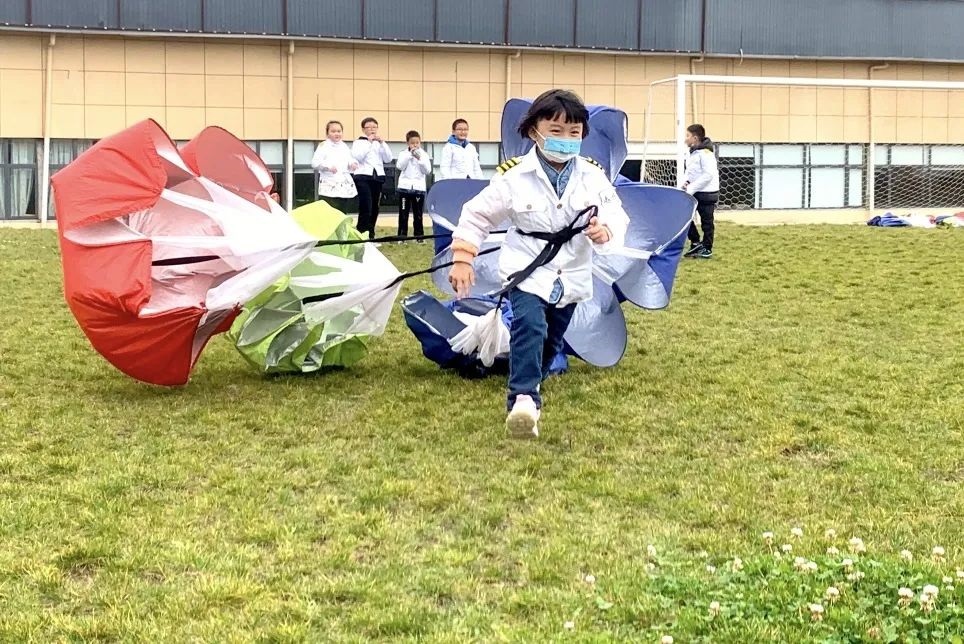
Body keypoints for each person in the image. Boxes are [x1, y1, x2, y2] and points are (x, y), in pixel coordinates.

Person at [447, 89, 629, 439]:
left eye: (574, 132)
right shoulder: (514, 176)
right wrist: (463, 258)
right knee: (530, 326)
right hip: (526, 267)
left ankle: (534, 382)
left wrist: (605, 230)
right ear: (534, 131)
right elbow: (477, 215)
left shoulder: (593, 176)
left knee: (551, 340)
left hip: (571, 271)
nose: (565, 139)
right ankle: (523, 401)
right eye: (556, 131)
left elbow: (616, 214)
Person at [680, 123, 719, 259]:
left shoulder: (706, 154)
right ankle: (695, 242)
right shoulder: (692, 153)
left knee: (707, 222)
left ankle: (707, 248)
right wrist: (686, 182)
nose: (685, 138)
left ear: (695, 138)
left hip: (707, 193)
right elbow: (691, 172)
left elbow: (708, 175)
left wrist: (691, 188)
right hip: (694, 192)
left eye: (687, 136)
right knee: (684, 216)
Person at [351, 117, 393, 239]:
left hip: (377, 177)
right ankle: (362, 233)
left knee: (375, 207)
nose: (372, 130)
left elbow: (388, 158)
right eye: (368, 127)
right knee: (366, 206)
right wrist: (369, 143)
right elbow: (358, 156)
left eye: (374, 127)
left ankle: (371, 234)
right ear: (363, 129)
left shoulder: (379, 143)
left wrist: (383, 143)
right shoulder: (359, 142)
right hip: (363, 177)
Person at [311, 120, 358, 213]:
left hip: (343, 185)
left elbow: (350, 159)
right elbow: (315, 163)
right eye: (333, 131)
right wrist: (328, 167)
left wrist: (352, 164)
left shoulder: (344, 146)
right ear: (327, 133)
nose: (337, 134)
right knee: (329, 212)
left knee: (342, 211)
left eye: (339, 131)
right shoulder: (323, 146)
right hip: (329, 185)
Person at [395, 130, 432, 240]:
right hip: (404, 188)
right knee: (403, 213)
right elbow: (400, 166)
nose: (415, 145)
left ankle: (419, 236)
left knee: (418, 214)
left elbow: (427, 170)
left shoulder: (424, 155)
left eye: (417, 143)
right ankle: (402, 236)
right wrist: (409, 156)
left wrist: (420, 160)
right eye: (412, 143)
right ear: (408, 143)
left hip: (418, 188)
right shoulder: (403, 154)